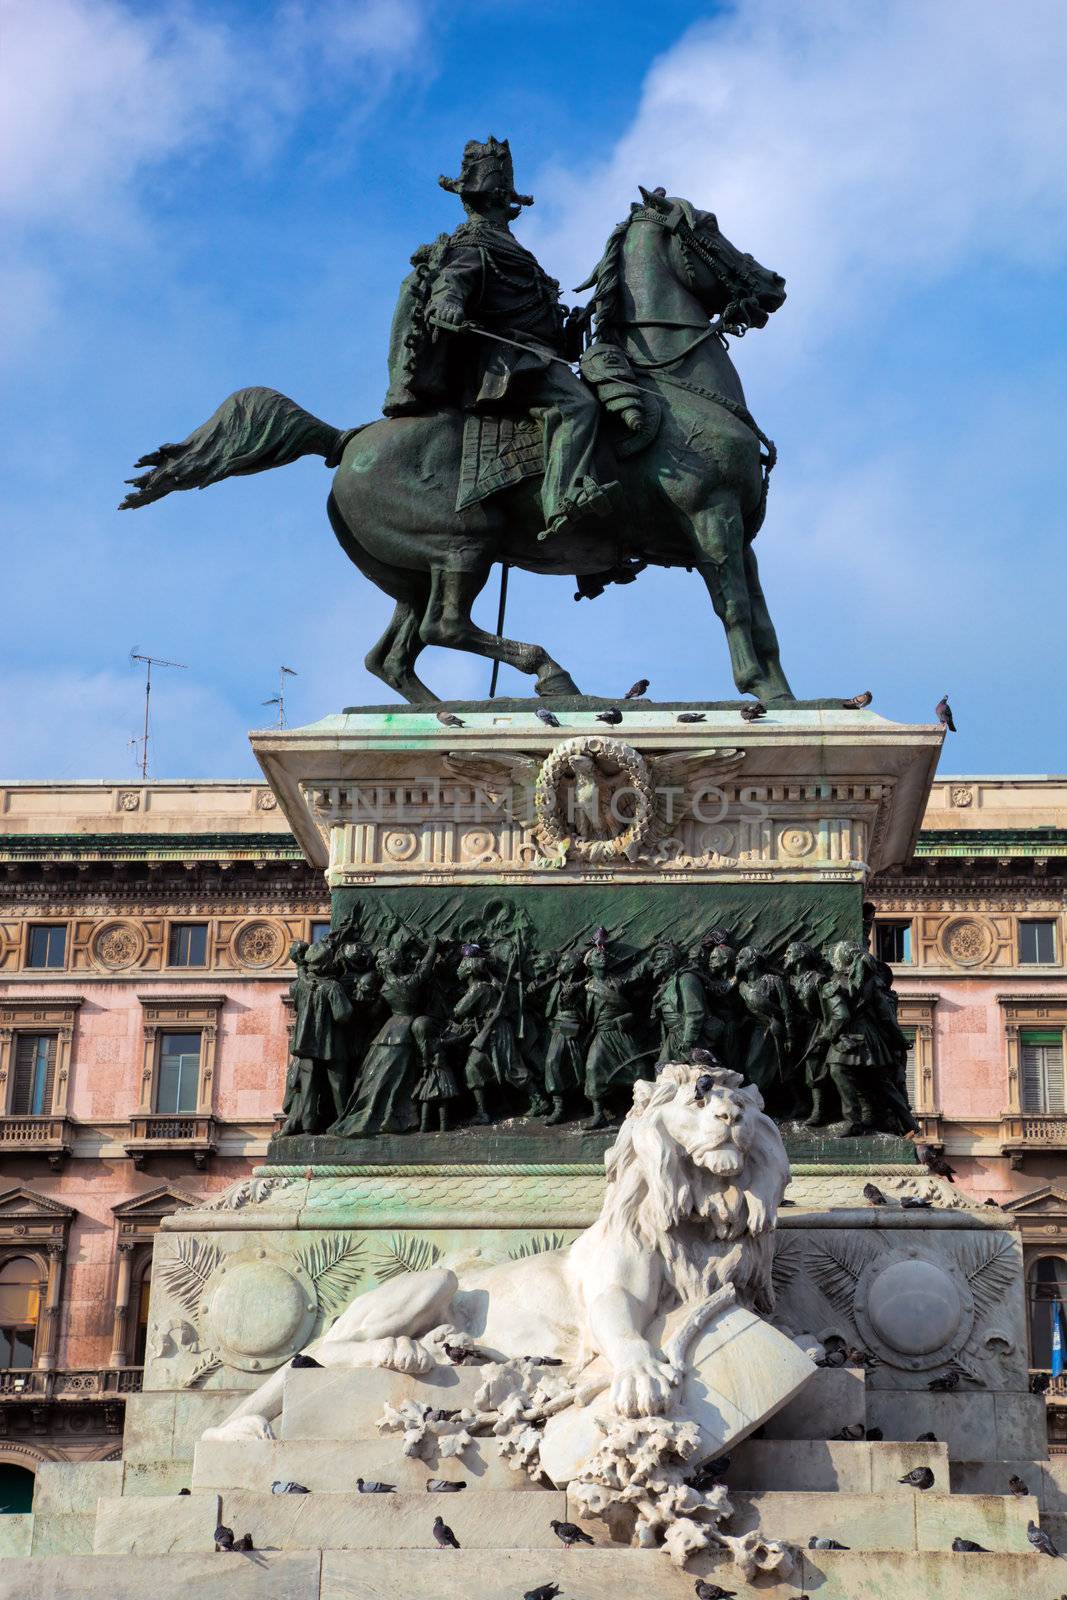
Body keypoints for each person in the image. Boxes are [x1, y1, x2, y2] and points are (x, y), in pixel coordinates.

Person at [383, 136, 620, 542]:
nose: (501, 199)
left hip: (537, 355)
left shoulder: (507, 244)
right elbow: (452, 282)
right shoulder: (474, 243)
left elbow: (528, 313)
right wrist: (448, 305)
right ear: (494, 196)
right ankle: (564, 497)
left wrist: (571, 329)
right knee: (579, 406)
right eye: (498, 192)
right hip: (507, 364)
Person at [328, 933, 439, 1137]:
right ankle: (391, 1118)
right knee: (397, 1080)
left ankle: (371, 1115)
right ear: (395, 964)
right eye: (396, 955)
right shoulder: (407, 982)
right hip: (404, 1032)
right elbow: (425, 967)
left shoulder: (385, 987)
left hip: (387, 1031)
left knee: (378, 1078)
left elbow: (373, 1013)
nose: (400, 957)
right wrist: (433, 946)